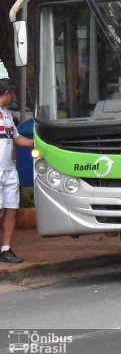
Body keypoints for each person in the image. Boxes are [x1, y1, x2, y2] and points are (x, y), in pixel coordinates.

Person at [0, 79, 34, 264]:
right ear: (7, 93)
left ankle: (5, 249)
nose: (13, 98)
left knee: (11, 208)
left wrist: (37, 143)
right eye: (12, 94)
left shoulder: (8, 116)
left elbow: (17, 138)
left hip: (9, 170)